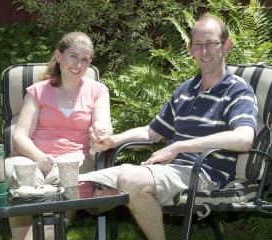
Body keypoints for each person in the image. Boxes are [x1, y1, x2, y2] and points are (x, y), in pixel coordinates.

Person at [80, 14, 258, 240]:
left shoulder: (238, 91)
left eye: (211, 43)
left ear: (226, 46)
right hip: (170, 170)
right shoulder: (184, 91)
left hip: (204, 173)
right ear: (190, 49)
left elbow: (244, 138)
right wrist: (112, 141)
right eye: (197, 45)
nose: (204, 51)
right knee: (81, 188)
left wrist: (179, 147)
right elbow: (151, 132)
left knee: (130, 180)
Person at [5, 32, 112, 240]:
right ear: (58, 55)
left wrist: (100, 132)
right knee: (20, 175)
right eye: (73, 56)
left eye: (85, 60)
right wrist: (40, 158)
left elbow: (104, 126)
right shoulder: (37, 92)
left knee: (64, 176)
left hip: (73, 160)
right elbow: (20, 136)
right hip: (33, 156)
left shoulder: (98, 91)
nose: (78, 64)